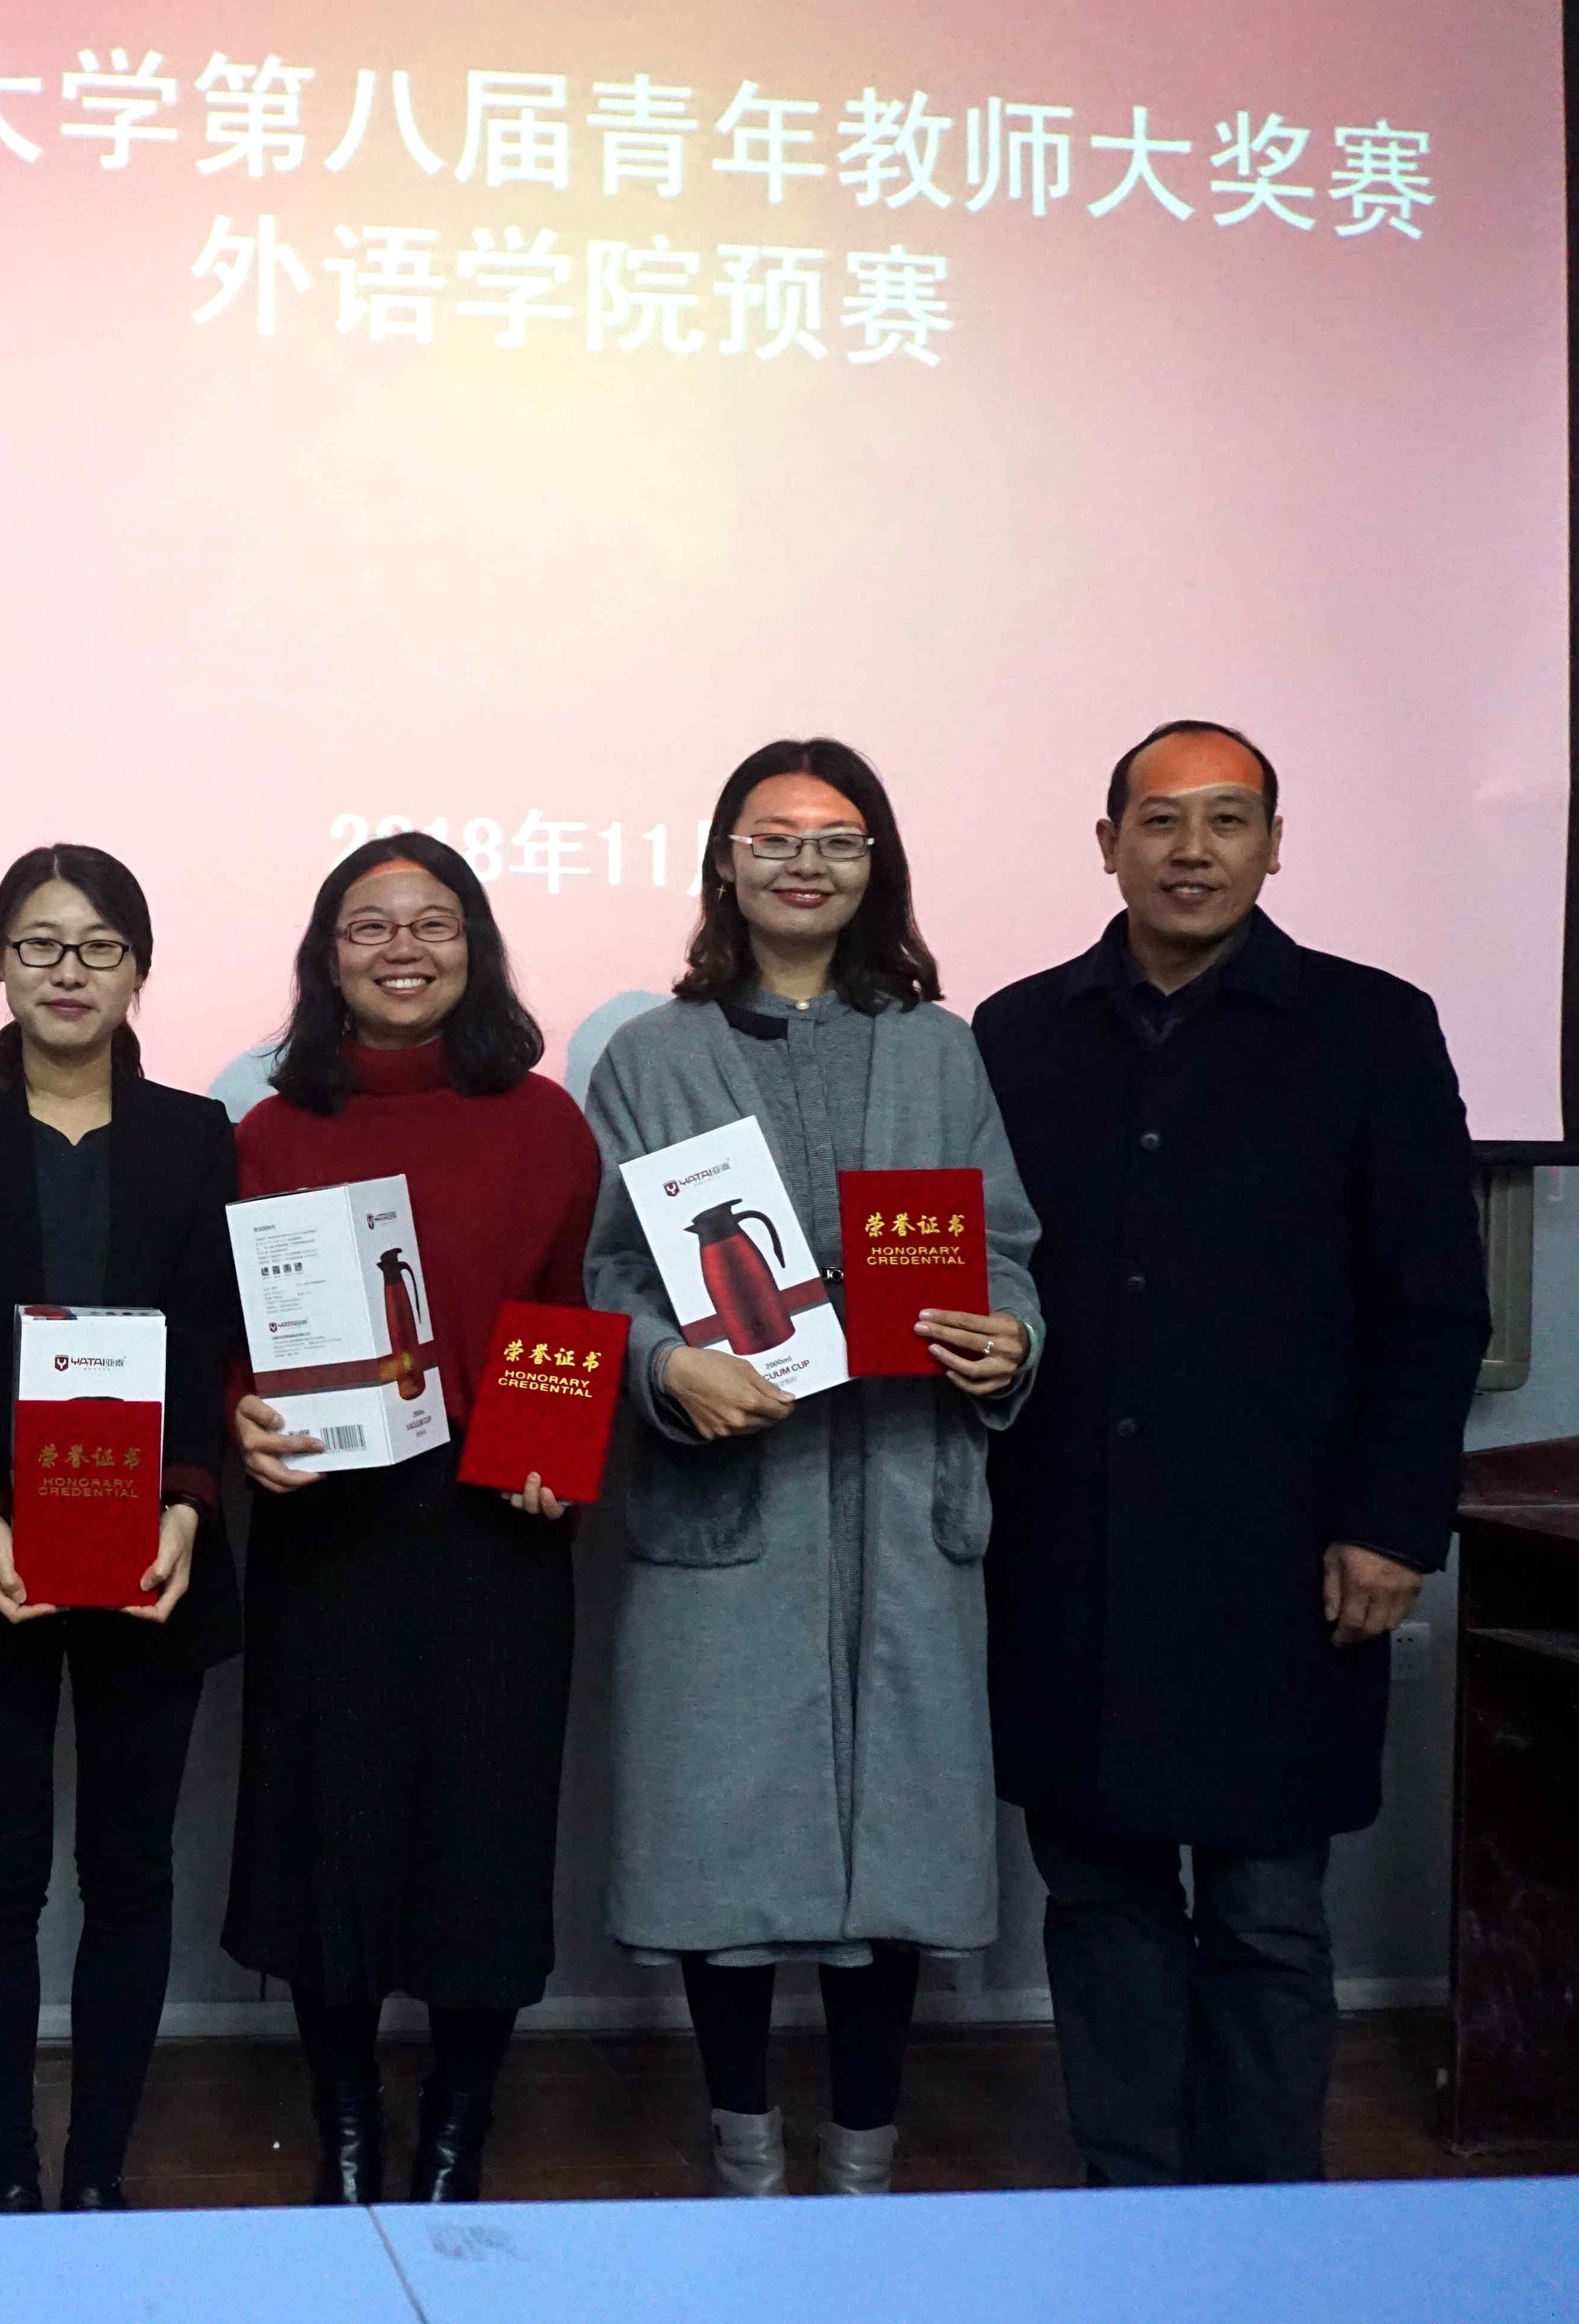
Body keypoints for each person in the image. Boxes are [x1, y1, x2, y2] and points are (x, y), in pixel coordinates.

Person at [975, 719, 1488, 2186]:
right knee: (1100, 1898)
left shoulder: (1372, 1027)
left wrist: (1394, 1524)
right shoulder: (1015, 1032)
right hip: (1071, 1550)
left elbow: (1437, 1303)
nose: (1190, 850)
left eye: (1226, 820)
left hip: (1287, 1556)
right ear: (1108, 844)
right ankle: (1131, 2199)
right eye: (1159, 820)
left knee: (1267, 1911)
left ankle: (1266, 2221)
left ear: (1273, 844)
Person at [580, 741, 1044, 2197]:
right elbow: (604, 1274)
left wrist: (1008, 1339)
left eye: (837, 839)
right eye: (772, 837)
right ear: (725, 862)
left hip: (903, 1492)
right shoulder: (653, 1055)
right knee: (720, 1849)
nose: (804, 863)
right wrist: (665, 1365)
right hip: (734, 1509)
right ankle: (743, 2145)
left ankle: (863, 2157)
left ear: (875, 866)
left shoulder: (939, 1049)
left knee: (892, 1854)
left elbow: (1007, 1251)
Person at [225, 832, 601, 2205]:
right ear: (327, 956)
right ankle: (343, 2121)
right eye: (369, 925)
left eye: (432, 922)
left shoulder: (549, 1123)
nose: (402, 948)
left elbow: (573, 1313)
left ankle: (457, 2120)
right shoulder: (268, 1134)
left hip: (497, 1529)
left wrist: (564, 1453)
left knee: (482, 1837)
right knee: (327, 1831)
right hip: (328, 1527)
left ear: (475, 946)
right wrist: (240, 1411)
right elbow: (232, 1330)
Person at [0, 846, 244, 2214]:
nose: (69, 970)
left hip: (152, 1550)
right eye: (40, 943)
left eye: (99, 945)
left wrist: (189, 1502)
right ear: (0, 963)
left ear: (138, 967)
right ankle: (6, 2171)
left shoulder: (195, 1135)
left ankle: (96, 2170)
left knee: (129, 1875)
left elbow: (209, 1336)